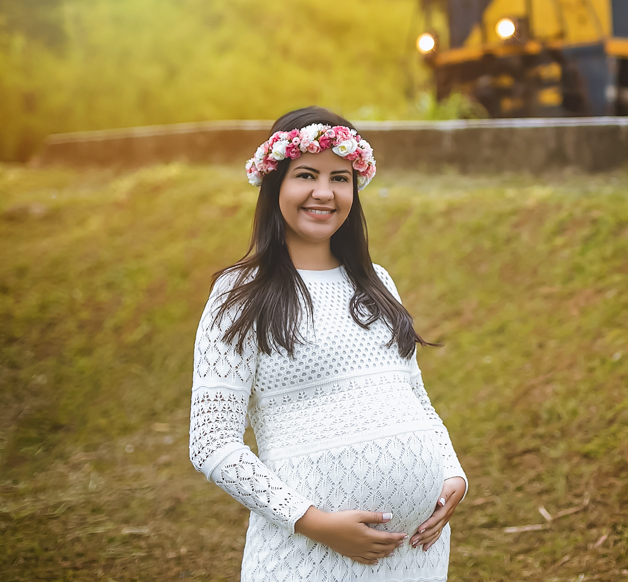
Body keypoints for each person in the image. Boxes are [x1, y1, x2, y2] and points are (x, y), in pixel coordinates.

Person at [189, 106, 467, 581]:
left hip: (416, 553)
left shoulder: (378, 283)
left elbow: (413, 396)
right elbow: (211, 441)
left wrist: (453, 476)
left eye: (340, 177)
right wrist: (314, 523)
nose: (324, 192)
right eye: (306, 175)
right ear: (275, 183)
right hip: (309, 556)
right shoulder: (240, 294)